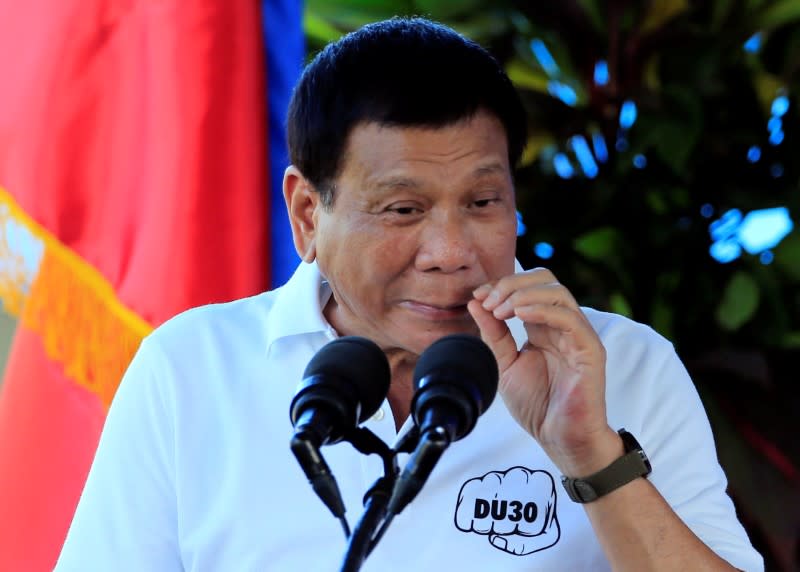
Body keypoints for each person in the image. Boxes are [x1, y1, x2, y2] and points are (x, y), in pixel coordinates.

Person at [56, 17, 763, 571]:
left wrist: (590, 453)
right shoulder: (188, 370)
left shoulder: (625, 368)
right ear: (308, 214)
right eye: (402, 210)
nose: (452, 252)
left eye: (483, 202)